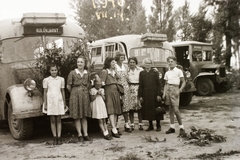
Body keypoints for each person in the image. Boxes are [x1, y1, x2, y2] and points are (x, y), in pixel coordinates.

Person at [67, 56, 91, 142]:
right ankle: (79, 134)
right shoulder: (72, 73)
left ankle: (85, 134)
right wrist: (75, 93)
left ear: (84, 64)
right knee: (77, 116)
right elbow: (68, 86)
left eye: (81, 62)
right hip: (75, 96)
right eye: (78, 62)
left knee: (84, 116)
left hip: (84, 96)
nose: (79, 64)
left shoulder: (87, 73)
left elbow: (88, 84)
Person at [43, 63, 66, 145]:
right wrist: (45, 104)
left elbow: (63, 91)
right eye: (52, 70)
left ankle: (59, 137)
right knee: (52, 119)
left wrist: (64, 102)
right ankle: (54, 137)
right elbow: (45, 92)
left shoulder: (61, 79)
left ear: (57, 70)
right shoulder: (46, 80)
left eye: (55, 70)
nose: (54, 72)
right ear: (49, 71)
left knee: (59, 119)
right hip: (51, 101)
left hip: (58, 100)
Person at [99, 57, 122, 138]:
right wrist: (103, 95)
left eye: (115, 62)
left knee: (116, 111)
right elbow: (101, 84)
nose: (114, 64)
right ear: (108, 63)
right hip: (108, 92)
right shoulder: (105, 71)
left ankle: (114, 128)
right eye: (112, 62)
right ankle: (114, 128)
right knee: (111, 111)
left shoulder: (114, 71)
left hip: (115, 92)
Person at [138, 58, 163, 132]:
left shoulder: (155, 72)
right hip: (146, 94)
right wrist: (140, 96)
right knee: (148, 109)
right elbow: (141, 85)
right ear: (144, 64)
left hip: (154, 94)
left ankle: (158, 125)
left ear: (151, 64)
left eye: (149, 63)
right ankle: (151, 125)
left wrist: (159, 94)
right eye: (146, 63)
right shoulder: (142, 73)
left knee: (157, 109)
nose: (147, 65)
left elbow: (159, 84)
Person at [163, 56, 186, 135]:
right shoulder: (167, 72)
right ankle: (172, 127)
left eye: (171, 61)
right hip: (168, 90)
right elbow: (166, 84)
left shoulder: (179, 71)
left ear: (175, 62)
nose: (170, 63)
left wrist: (179, 90)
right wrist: (164, 93)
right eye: (169, 61)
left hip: (175, 90)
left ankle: (182, 127)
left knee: (176, 110)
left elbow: (183, 82)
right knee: (170, 110)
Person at [114, 52, 132, 133]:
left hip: (126, 88)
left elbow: (128, 77)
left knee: (126, 106)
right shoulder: (114, 66)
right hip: (118, 87)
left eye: (123, 56)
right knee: (118, 105)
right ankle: (116, 124)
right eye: (121, 56)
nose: (122, 58)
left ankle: (126, 124)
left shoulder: (126, 66)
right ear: (117, 57)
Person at [127, 57, 144, 131]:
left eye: (133, 62)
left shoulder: (140, 70)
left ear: (136, 63)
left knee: (139, 107)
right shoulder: (126, 70)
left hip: (138, 88)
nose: (132, 64)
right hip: (130, 88)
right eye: (130, 62)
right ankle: (132, 124)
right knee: (131, 108)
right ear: (128, 63)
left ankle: (140, 124)